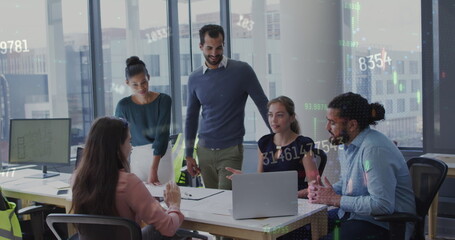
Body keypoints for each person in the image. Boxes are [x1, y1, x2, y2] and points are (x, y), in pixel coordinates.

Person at [308, 92, 416, 240]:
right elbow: (354, 184)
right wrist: (326, 192)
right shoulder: (352, 144)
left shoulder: (373, 150)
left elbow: (382, 205)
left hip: (383, 226)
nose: (327, 127)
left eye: (333, 122)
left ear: (352, 125)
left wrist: (335, 199)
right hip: (358, 217)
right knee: (303, 229)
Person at [185, 24, 270, 190]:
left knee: (227, 200)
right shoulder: (194, 78)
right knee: (211, 202)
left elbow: (262, 103)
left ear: (224, 45)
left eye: (219, 47)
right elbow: (191, 117)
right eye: (209, 48)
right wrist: (189, 154)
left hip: (231, 150)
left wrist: (278, 137)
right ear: (201, 46)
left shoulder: (242, 71)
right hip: (204, 151)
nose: (214, 53)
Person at [71, 117, 184, 239]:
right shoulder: (129, 183)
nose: (131, 147)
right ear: (117, 147)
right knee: (161, 231)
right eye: (129, 141)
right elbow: (168, 227)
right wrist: (174, 205)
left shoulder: (77, 178)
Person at [226, 96, 318, 198]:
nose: (273, 120)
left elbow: (314, 185)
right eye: (270, 115)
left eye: (279, 115)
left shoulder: (303, 144)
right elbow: (260, 180)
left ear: (291, 117)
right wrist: (245, 178)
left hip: (295, 201)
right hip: (269, 199)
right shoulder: (264, 143)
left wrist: (290, 196)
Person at [115, 56, 172, 185]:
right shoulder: (123, 106)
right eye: (135, 84)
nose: (141, 88)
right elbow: (119, 139)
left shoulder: (164, 100)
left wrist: (153, 169)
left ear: (149, 77)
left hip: (161, 157)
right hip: (137, 157)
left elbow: (162, 136)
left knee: (162, 196)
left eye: (144, 82)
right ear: (127, 83)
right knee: (138, 199)